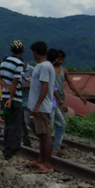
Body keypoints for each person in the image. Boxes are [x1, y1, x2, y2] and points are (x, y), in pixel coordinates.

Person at [51, 49, 88, 156]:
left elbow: (71, 84)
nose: (60, 61)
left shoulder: (64, 71)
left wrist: (80, 96)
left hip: (61, 96)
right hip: (53, 97)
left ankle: (57, 143)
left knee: (62, 122)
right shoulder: (50, 69)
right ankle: (55, 144)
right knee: (55, 122)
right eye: (59, 59)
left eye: (62, 59)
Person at [27, 41, 56, 174]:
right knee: (41, 134)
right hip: (40, 106)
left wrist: (38, 105)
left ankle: (48, 164)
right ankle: (41, 160)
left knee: (45, 135)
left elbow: (45, 86)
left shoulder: (44, 67)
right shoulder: (44, 66)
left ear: (35, 53)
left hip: (43, 107)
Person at [0, 41, 28, 160]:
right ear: (22, 51)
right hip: (14, 99)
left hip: (4, 96)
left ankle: (6, 148)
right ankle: (11, 151)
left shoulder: (4, 61)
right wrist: (11, 98)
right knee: (15, 125)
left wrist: (6, 87)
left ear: (11, 50)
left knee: (8, 124)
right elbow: (16, 81)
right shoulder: (19, 63)